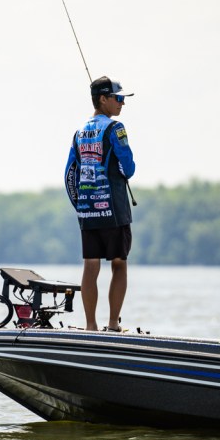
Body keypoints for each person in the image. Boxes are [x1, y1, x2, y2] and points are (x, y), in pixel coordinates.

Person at [64, 76, 136, 331]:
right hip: (114, 210)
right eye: (118, 98)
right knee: (119, 263)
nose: (122, 103)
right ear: (103, 99)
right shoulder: (116, 128)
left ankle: (90, 326)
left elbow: (69, 174)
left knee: (90, 265)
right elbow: (129, 168)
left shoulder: (79, 132)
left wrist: (81, 205)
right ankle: (113, 324)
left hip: (87, 212)